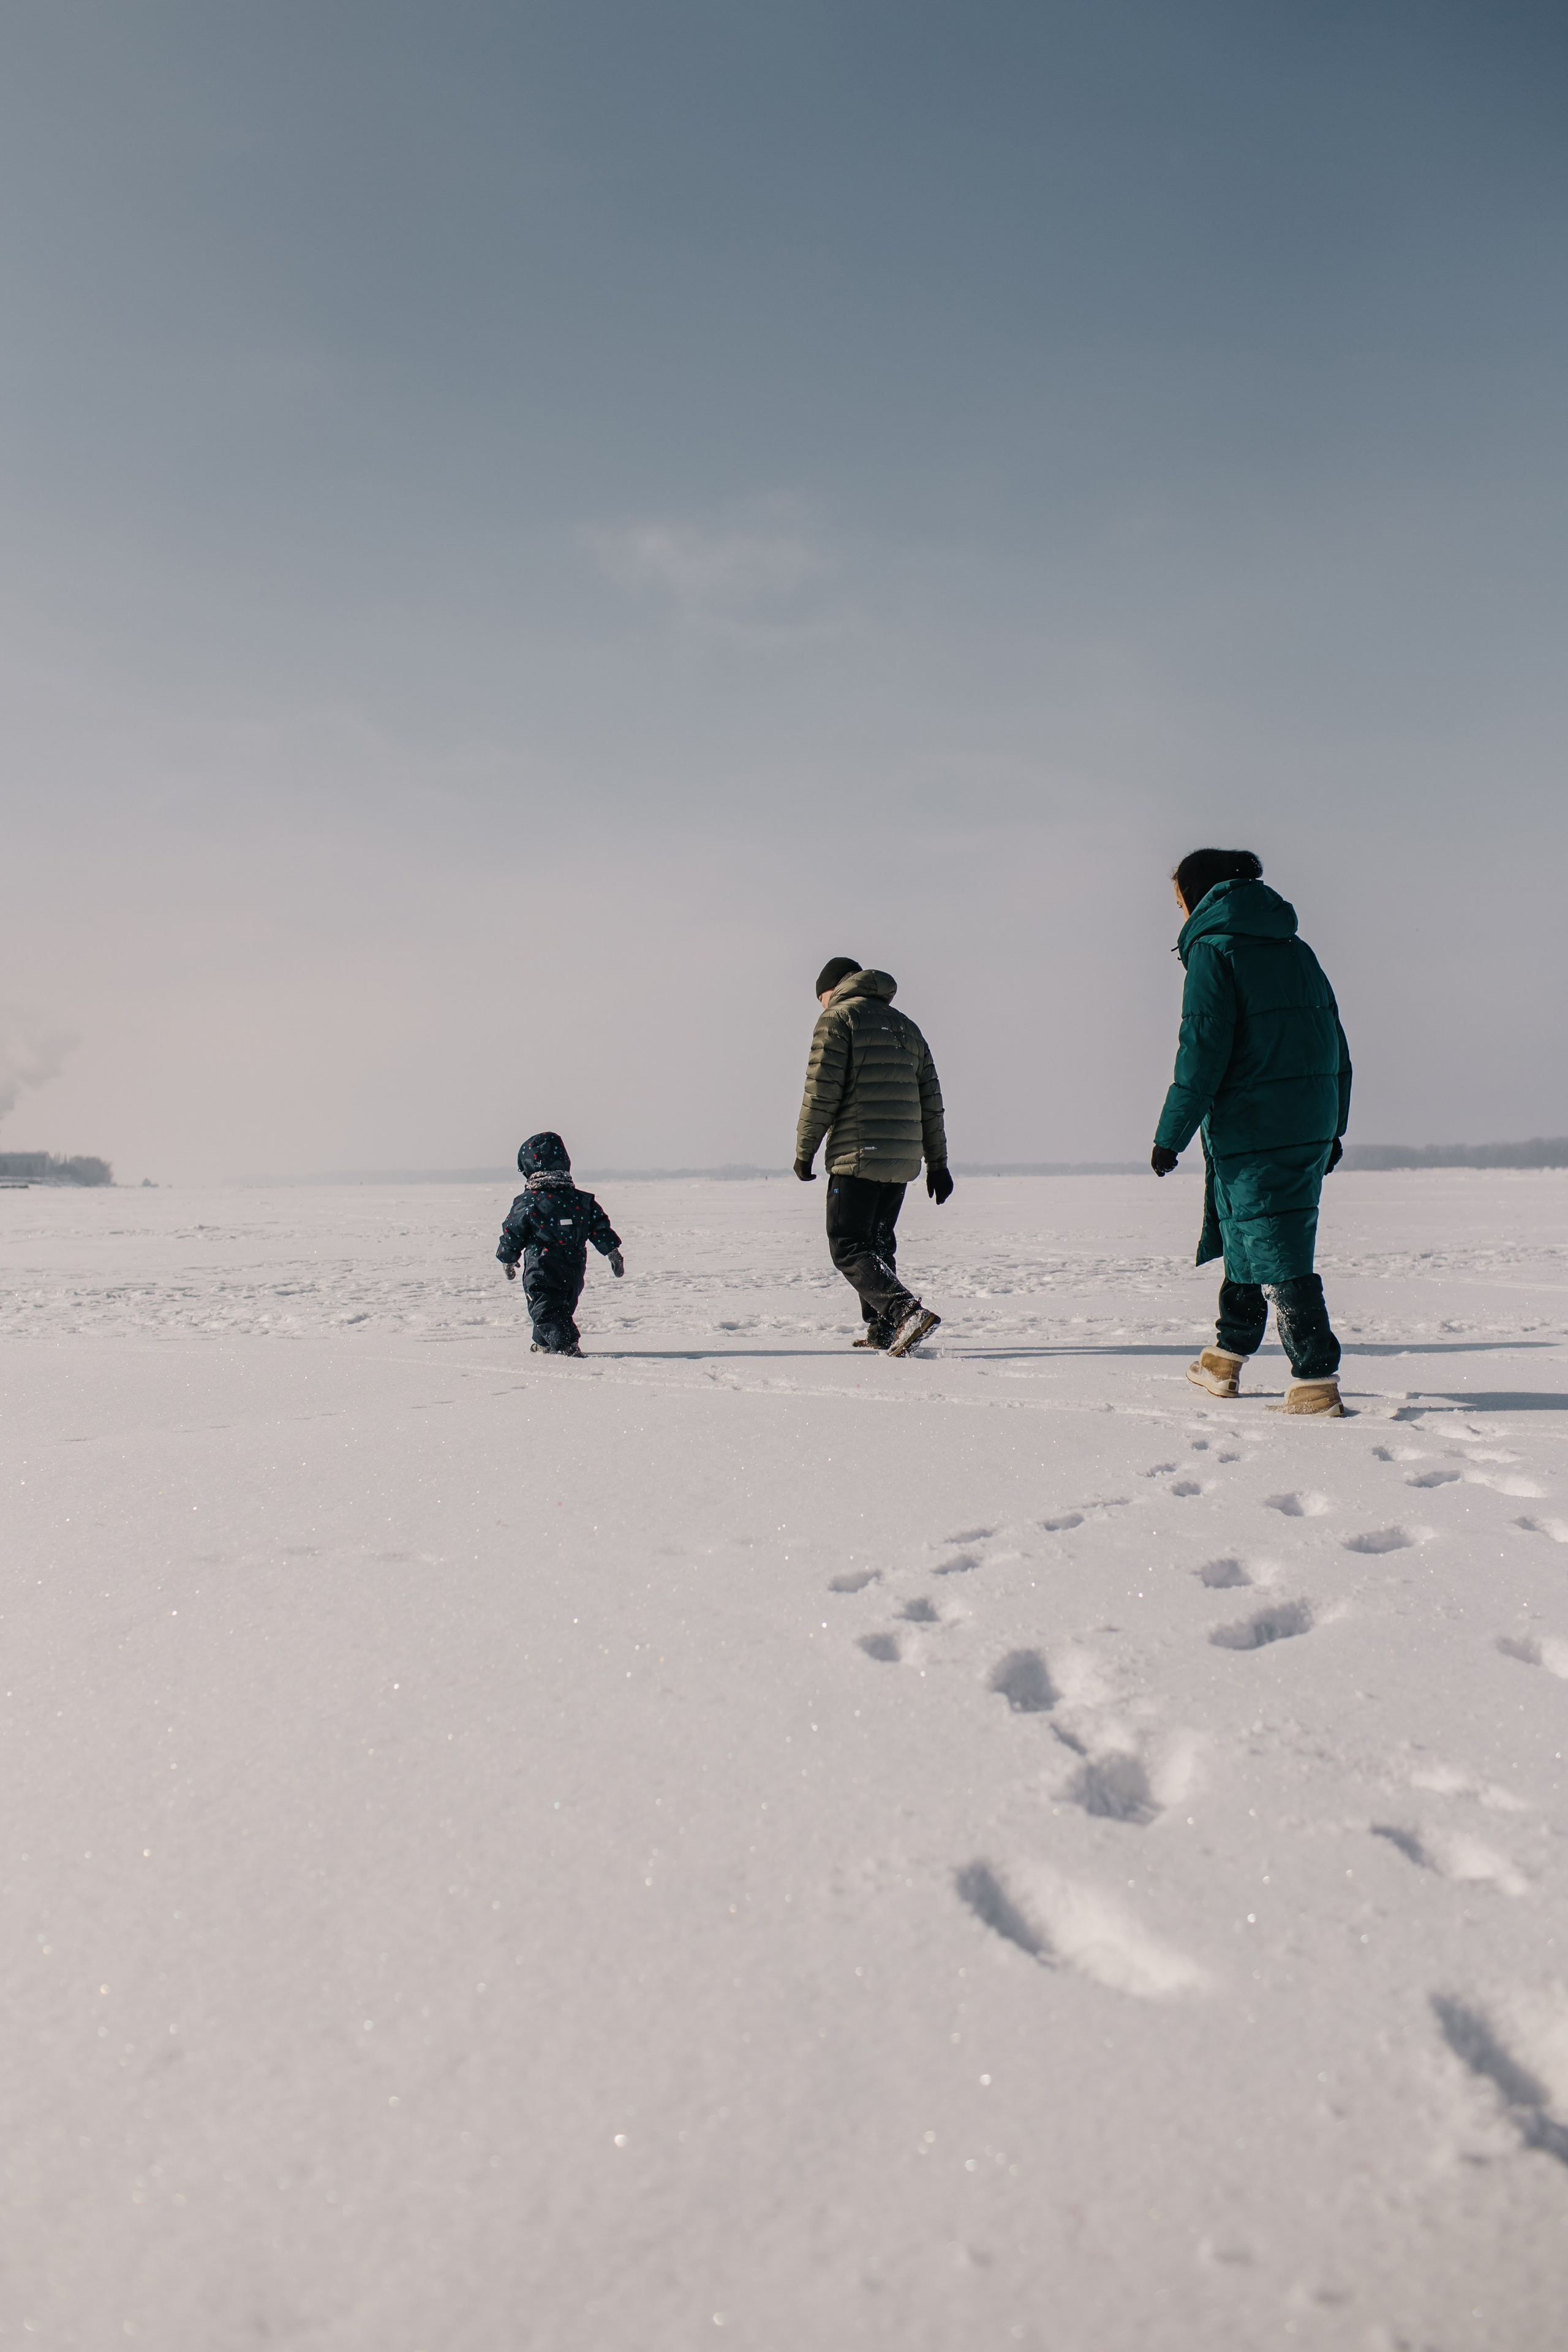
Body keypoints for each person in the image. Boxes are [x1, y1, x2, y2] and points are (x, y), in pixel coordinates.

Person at [1150, 851, 1351, 1417]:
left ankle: (1315, 1379)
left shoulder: (1214, 951)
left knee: (1278, 1248)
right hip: (1307, 1119)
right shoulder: (1296, 948)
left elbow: (1201, 1052)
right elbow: (1335, 1043)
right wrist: (1334, 1124)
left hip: (1255, 1125)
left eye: (1180, 901)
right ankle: (1226, 1356)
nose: (1180, 912)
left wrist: (1171, 1134)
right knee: (1246, 1235)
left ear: (1200, 896)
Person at [794, 957, 952, 1356]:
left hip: (858, 1153)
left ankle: (905, 1313)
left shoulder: (838, 1019)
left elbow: (821, 1092)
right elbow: (931, 1102)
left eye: (821, 997)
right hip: (901, 1160)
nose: (822, 1005)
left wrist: (805, 1150)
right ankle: (883, 1330)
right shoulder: (907, 1027)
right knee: (877, 1244)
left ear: (833, 989)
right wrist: (938, 1164)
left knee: (847, 1244)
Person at [496, 1131, 624, 1357]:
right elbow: (599, 1227)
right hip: (574, 1264)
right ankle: (544, 1343)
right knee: (561, 1305)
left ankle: (567, 1345)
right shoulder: (581, 1200)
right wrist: (612, 1251)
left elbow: (513, 1231)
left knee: (545, 1306)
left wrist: (508, 1258)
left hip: (542, 1264)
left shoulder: (529, 1201)